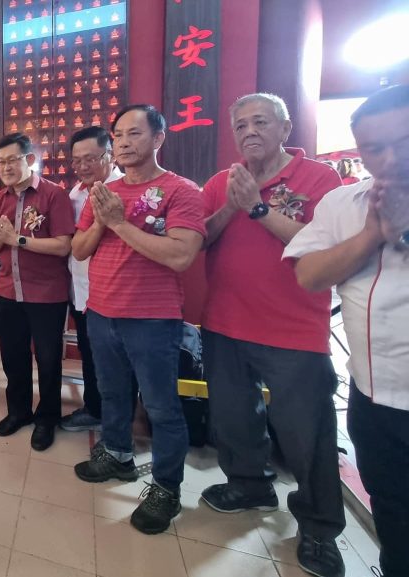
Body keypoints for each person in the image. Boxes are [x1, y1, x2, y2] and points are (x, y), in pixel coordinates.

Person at [201, 93, 346, 577]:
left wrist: (259, 209)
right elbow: (201, 237)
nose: (249, 131)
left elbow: (320, 245)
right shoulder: (223, 181)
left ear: (285, 129)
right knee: (233, 416)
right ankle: (248, 484)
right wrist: (231, 206)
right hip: (224, 321)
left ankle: (320, 529)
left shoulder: (320, 179)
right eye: (240, 125)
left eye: (260, 121)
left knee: (308, 434)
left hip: (294, 329)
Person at [284, 84, 409, 577]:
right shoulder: (344, 203)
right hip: (373, 394)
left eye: (403, 140)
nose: (392, 157)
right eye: (375, 147)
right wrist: (375, 234)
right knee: (393, 510)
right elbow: (310, 275)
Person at [70, 105, 205, 535]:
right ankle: (118, 454)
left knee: (163, 407)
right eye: (119, 135)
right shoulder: (102, 193)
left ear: (159, 139)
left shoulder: (180, 190)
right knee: (112, 393)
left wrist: (119, 223)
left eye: (135, 134)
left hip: (152, 319)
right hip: (102, 310)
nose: (125, 143)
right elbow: (79, 249)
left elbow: (182, 255)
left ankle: (166, 487)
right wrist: (103, 220)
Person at [0, 133, 73, 451]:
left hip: (46, 294)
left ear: (29, 159)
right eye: (0, 162)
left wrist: (16, 238)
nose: (4, 167)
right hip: (6, 291)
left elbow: (63, 245)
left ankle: (47, 418)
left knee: (47, 359)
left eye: (11, 160)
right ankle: (18, 412)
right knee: (12, 357)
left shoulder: (53, 195)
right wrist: (0, 237)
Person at [60, 126, 124, 432]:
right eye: (76, 161)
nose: (83, 166)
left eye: (91, 158)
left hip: (114, 294)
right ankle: (95, 409)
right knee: (90, 354)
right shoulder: (74, 194)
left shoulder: (124, 188)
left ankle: (117, 430)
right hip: (81, 290)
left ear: (109, 155)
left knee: (115, 365)